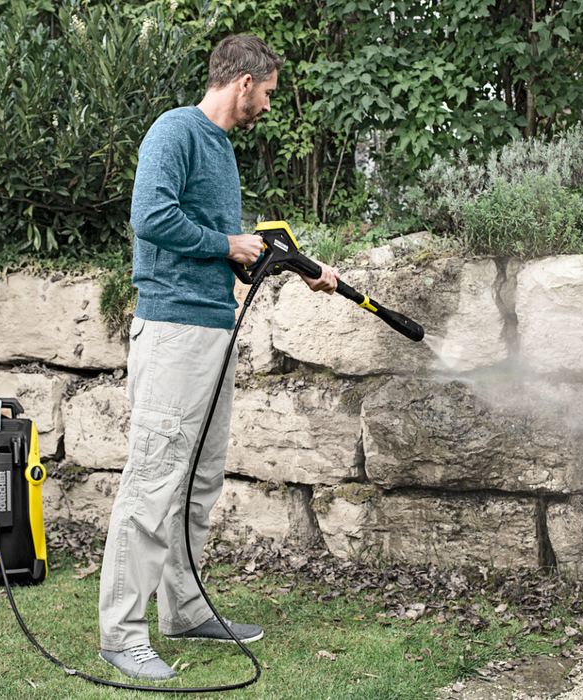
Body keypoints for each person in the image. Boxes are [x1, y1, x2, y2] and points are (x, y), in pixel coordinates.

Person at [98, 34, 339, 682]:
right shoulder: (175, 131)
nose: (269, 106)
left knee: (199, 484)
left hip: (211, 328)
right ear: (244, 83)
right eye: (269, 92)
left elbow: (223, 245)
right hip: (172, 331)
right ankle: (121, 634)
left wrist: (298, 266)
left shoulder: (222, 149)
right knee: (154, 483)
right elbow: (151, 216)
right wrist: (228, 242)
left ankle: (183, 610)